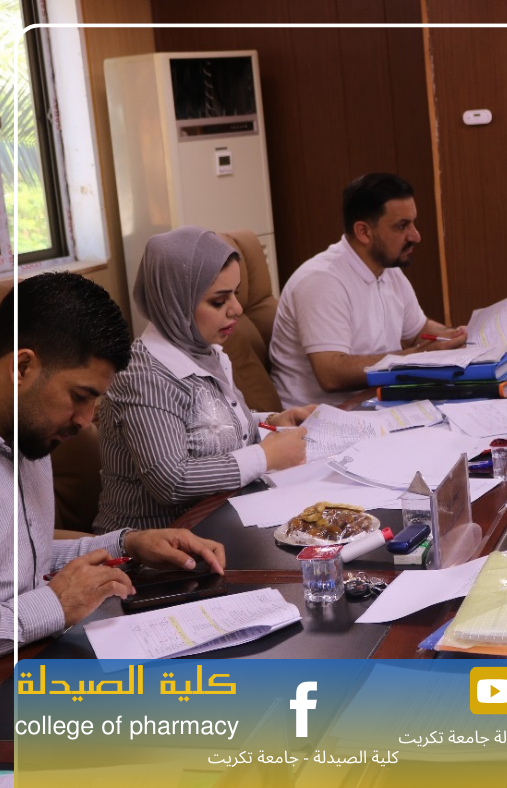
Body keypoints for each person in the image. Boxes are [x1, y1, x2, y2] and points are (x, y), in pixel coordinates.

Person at [0, 272, 227, 654]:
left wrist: (129, 545)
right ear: (22, 368)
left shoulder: (29, 434)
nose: (85, 420)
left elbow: (21, 562)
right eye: (79, 396)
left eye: (95, 401)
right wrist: (53, 605)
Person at [93, 227, 316, 533]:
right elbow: (172, 481)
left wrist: (272, 421)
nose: (237, 309)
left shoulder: (204, 350)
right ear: (176, 302)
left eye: (236, 293)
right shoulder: (144, 376)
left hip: (220, 522)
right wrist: (265, 457)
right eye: (219, 301)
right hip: (154, 544)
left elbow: (208, 426)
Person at [269, 173, 467, 407]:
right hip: (322, 417)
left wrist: (455, 337)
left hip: (374, 403)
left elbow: (419, 331)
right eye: (402, 226)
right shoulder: (321, 281)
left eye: (413, 223)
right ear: (363, 232)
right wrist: (418, 356)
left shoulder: (389, 271)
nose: (416, 236)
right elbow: (331, 374)